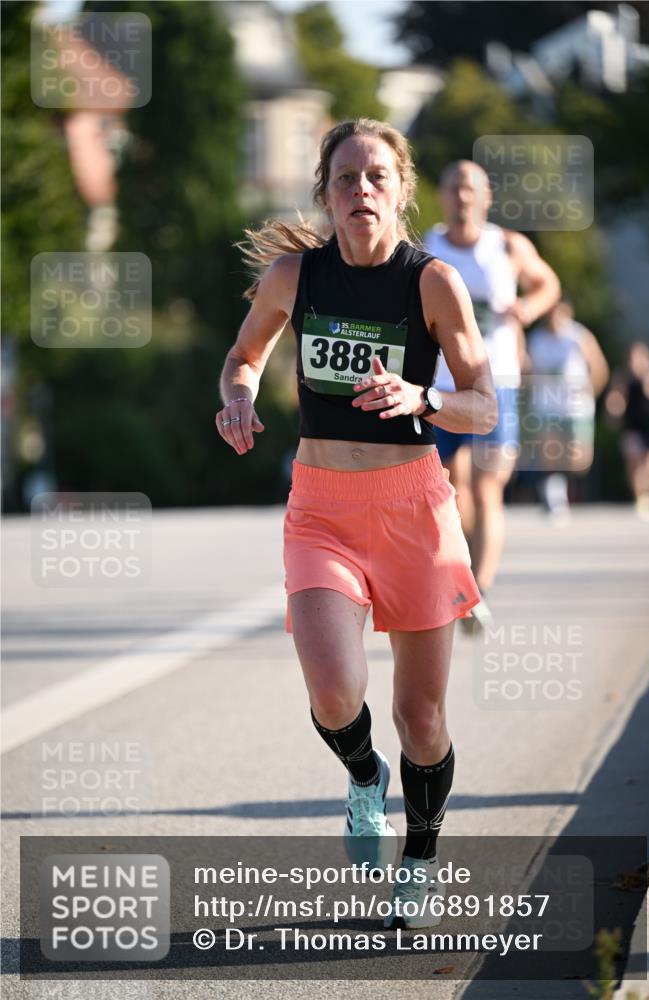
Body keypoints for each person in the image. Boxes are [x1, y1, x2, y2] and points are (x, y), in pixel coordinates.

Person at [216, 119, 497, 930]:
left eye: (376, 177)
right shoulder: (294, 276)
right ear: (325, 194)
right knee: (335, 690)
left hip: (414, 510)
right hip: (322, 510)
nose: (361, 190)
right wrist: (237, 397)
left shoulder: (432, 283)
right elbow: (242, 357)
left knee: (422, 719)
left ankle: (421, 858)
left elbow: (484, 405)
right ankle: (364, 776)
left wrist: (424, 398)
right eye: (345, 178)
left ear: (401, 192)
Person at [423, 160, 560, 629]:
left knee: (486, 488)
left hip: (495, 381)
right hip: (440, 384)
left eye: (471, 189)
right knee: (444, 492)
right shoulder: (425, 248)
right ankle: (460, 576)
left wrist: (528, 307)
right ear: (442, 196)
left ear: (486, 198)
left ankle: (477, 592)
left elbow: (547, 283)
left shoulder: (507, 245)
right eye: (454, 188)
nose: (462, 197)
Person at [527, 299, 609, 518]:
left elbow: (599, 366)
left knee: (578, 460)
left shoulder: (579, 336)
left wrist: (591, 389)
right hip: (546, 407)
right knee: (549, 454)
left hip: (575, 408)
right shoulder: (536, 339)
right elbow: (527, 369)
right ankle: (554, 494)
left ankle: (563, 488)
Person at [605, 340, 649, 519]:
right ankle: (643, 498)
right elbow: (616, 400)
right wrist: (613, 412)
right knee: (636, 466)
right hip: (633, 428)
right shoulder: (624, 379)